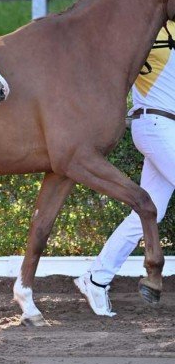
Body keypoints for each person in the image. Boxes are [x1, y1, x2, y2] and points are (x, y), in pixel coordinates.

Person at [75, 21, 175, 316]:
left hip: (164, 126)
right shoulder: (151, 30)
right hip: (156, 124)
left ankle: (96, 278)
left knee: (148, 210)